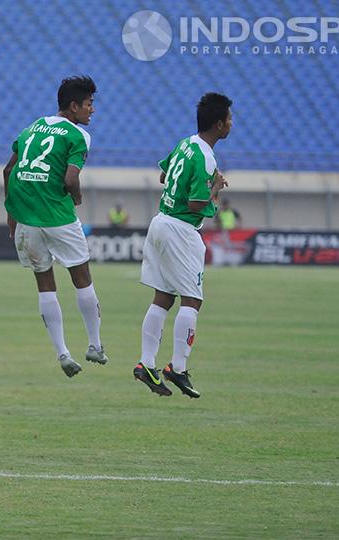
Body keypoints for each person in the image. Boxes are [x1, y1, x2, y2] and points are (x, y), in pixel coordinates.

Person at [2, 75, 107, 378]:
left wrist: (12, 212)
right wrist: (76, 197)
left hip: (25, 215)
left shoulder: (32, 127)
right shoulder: (77, 135)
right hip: (57, 216)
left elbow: (9, 169)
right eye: (89, 104)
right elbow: (70, 179)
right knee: (82, 277)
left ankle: (62, 352)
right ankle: (95, 345)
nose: (92, 110)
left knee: (44, 282)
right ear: (73, 106)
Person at [133, 92, 232, 399]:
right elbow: (196, 202)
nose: (231, 124)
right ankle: (177, 367)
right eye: (229, 119)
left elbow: (165, 174)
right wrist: (215, 186)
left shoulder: (185, 143)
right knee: (192, 300)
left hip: (160, 221)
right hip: (181, 229)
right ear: (218, 125)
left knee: (163, 297)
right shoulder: (206, 156)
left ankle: (146, 364)